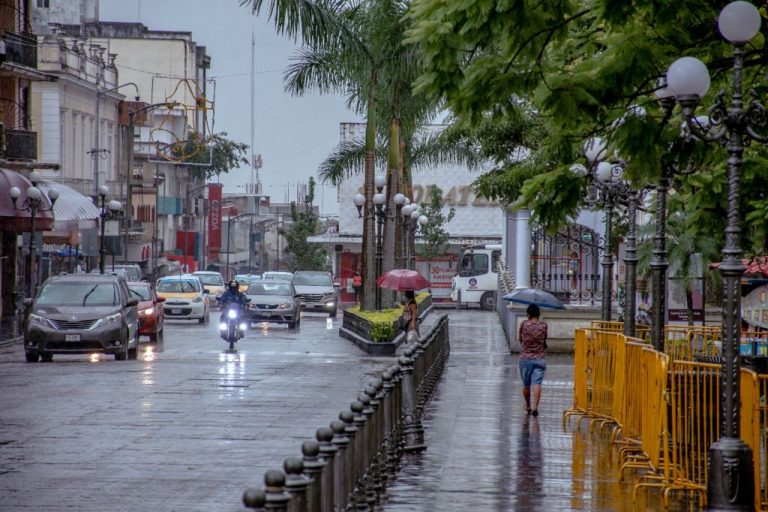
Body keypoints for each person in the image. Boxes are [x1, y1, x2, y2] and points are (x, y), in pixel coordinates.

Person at [518, 304, 547, 417]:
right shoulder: (544, 326)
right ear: (538, 314)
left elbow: (520, 339)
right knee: (537, 383)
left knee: (526, 385)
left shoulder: (524, 324)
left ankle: (528, 405)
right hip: (539, 358)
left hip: (525, 358)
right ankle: (535, 407)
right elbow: (544, 341)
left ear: (528, 314)